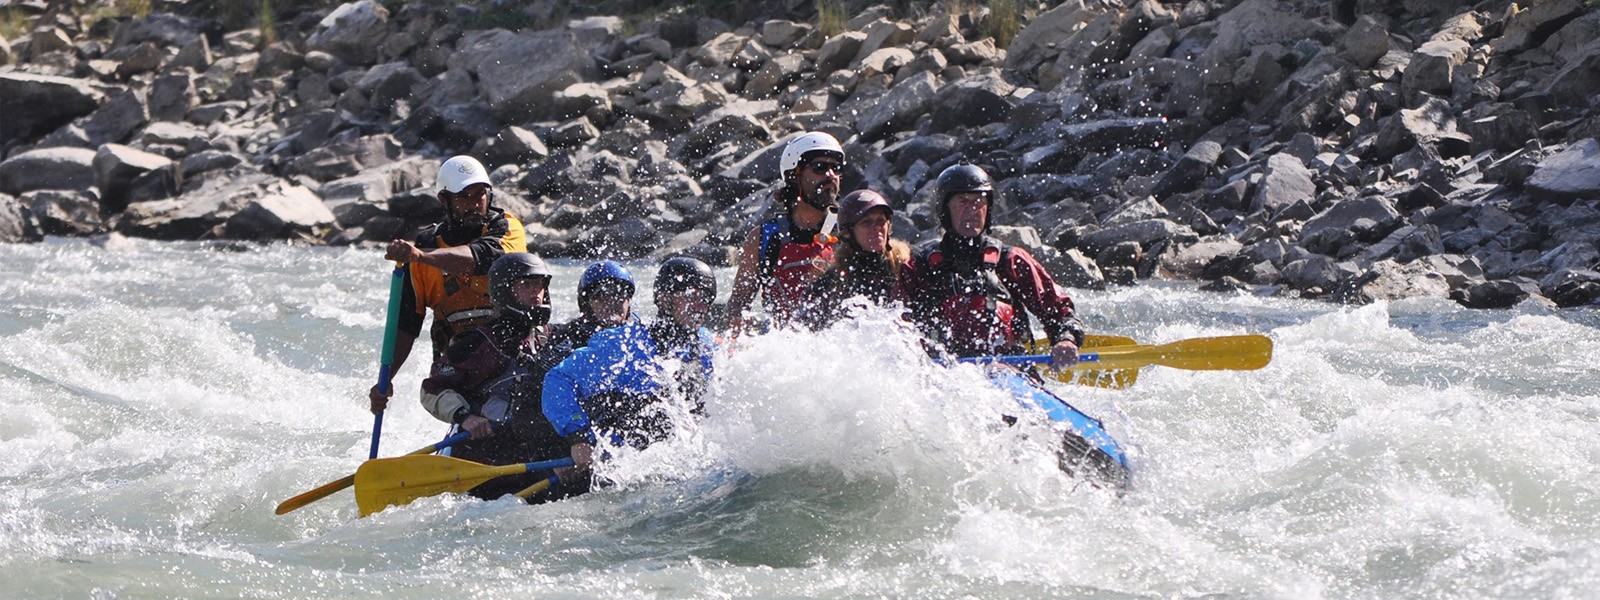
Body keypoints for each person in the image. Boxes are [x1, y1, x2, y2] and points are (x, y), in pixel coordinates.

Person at [541, 257, 719, 496]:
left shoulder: (706, 344)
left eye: (706, 298)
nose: (700, 306)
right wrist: (578, 438)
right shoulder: (625, 341)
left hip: (682, 460)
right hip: (626, 464)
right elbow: (558, 380)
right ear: (664, 299)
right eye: (691, 295)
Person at [370, 155, 528, 414]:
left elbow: (481, 258)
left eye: (480, 195)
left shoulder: (507, 228)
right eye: (464, 197)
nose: (474, 204)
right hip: (462, 366)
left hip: (513, 357)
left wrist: (422, 256)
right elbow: (407, 325)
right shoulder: (424, 249)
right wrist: (385, 381)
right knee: (439, 394)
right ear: (445, 200)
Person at [417, 252, 567, 501]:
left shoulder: (554, 338)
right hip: (482, 461)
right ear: (505, 291)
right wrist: (465, 417)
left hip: (535, 459)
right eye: (526, 285)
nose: (537, 293)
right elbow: (432, 389)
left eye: (540, 285)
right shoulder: (476, 344)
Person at [903, 163, 1085, 367]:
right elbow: (898, 325)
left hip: (1009, 369)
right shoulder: (920, 266)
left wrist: (1066, 339)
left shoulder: (1011, 260)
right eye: (963, 201)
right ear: (945, 209)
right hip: (945, 372)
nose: (972, 210)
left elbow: (1059, 310)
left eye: (978, 201)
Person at [724, 131, 847, 330]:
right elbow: (738, 301)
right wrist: (739, 324)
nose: (830, 175)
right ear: (794, 176)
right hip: (785, 350)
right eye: (820, 167)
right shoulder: (764, 238)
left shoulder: (849, 232)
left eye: (836, 168)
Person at [798, 189, 912, 331]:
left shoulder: (908, 268)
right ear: (847, 233)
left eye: (881, 221)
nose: (876, 227)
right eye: (866, 223)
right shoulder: (829, 284)